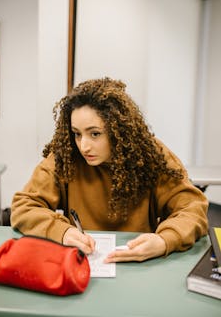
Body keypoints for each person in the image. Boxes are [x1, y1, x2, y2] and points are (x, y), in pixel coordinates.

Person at [11, 77, 208, 263]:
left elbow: (192, 208)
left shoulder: (152, 155)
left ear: (118, 130)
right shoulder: (66, 156)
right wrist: (62, 231)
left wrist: (165, 240)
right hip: (84, 263)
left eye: (95, 134)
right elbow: (24, 206)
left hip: (144, 263)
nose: (84, 146)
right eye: (77, 134)